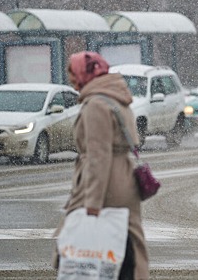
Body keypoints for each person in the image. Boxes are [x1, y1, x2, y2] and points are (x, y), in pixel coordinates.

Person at [53, 51, 149, 280]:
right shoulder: (116, 97)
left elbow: (99, 155)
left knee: (80, 241)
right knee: (127, 243)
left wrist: (92, 203)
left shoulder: (96, 103)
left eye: (73, 75)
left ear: (86, 74)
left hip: (106, 185)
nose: (72, 81)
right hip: (123, 179)